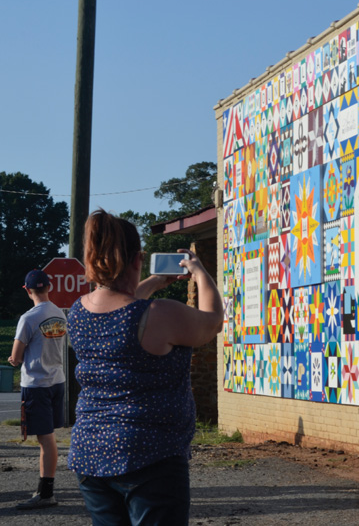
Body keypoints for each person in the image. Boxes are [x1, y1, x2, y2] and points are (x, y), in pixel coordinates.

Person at [67, 209, 223, 525]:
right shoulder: (160, 314)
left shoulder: (77, 313)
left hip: (90, 452)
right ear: (138, 258)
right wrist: (200, 271)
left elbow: (120, 306)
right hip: (150, 456)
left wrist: (153, 282)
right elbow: (213, 321)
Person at [8, 269, 67, 510]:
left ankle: (46, 493)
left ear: (27, 290)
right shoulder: (60, 313)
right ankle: (47, 489)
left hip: (37, 384)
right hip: (57, 380)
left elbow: (16, 355)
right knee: (49, 437)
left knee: (45, 439)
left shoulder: (29, 318)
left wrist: (13, 361)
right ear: (50, 287)